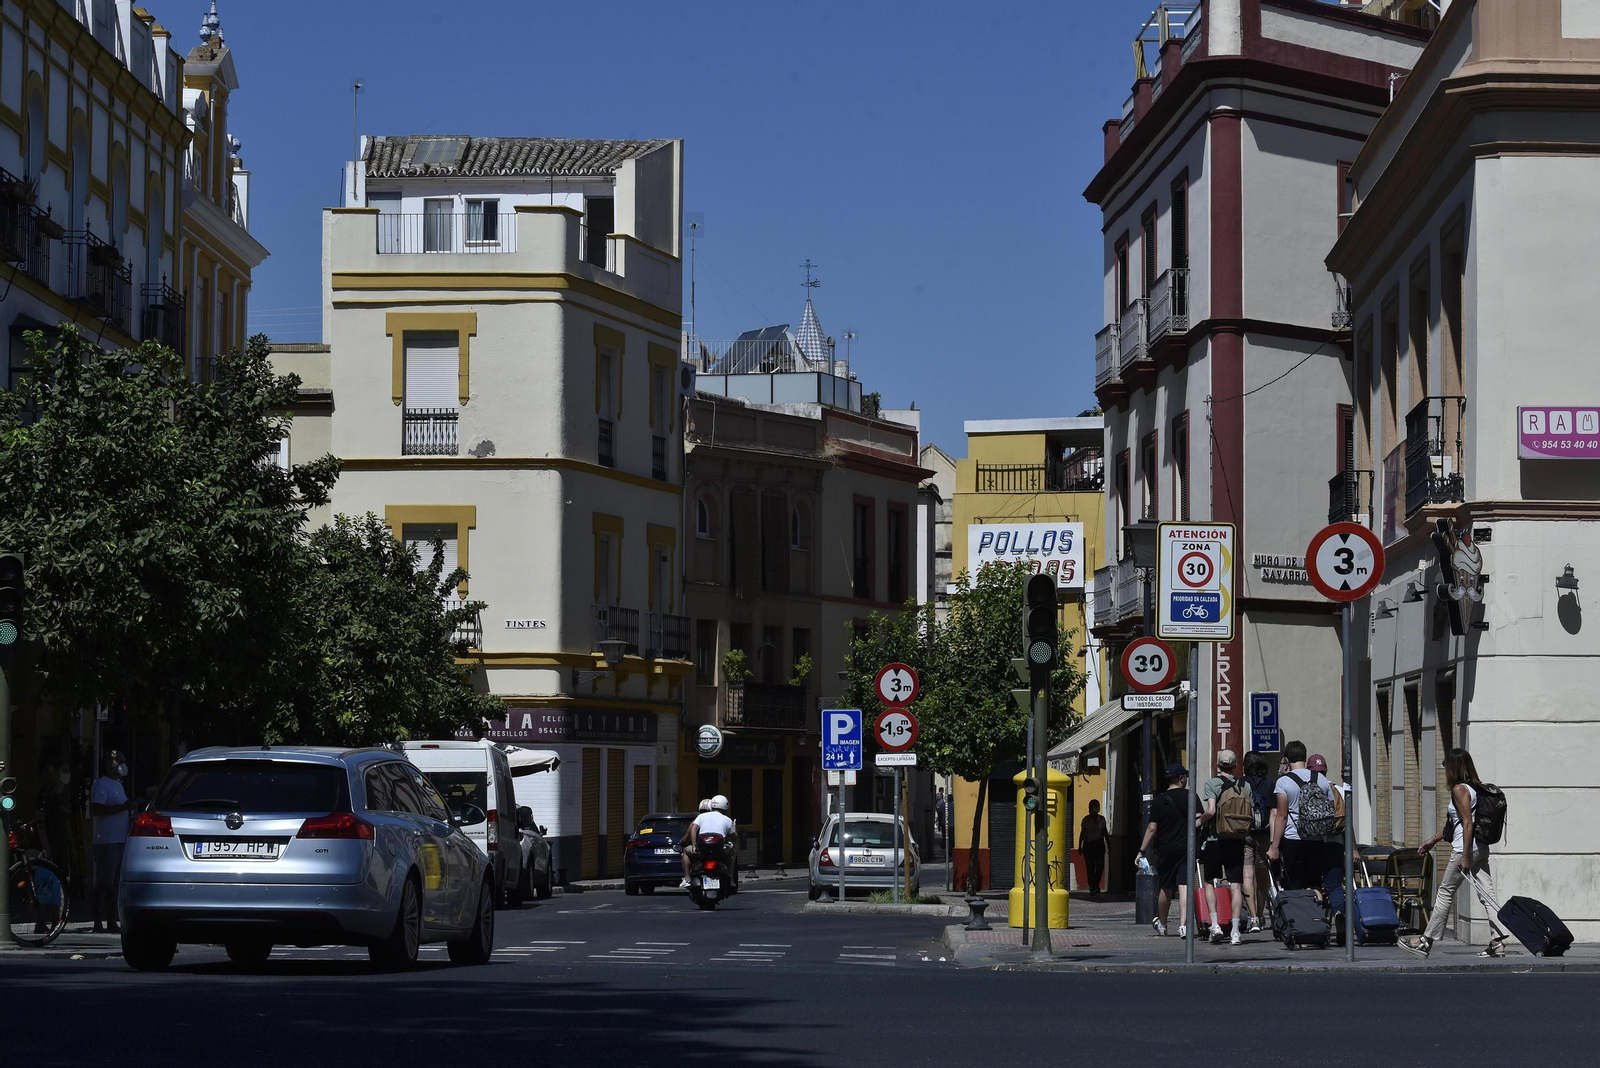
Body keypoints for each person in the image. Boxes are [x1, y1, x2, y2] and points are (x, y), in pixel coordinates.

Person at [1402, 748, 1510, 959]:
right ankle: (1497, 942)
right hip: (1480, 847)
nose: (1444, 771)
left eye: (1446, 766)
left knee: (1445, 892)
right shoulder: (1476, 787)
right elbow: (1456, 824)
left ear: (1453, 768)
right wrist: (1432, 841)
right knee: (1487, 893)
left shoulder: (1460, 789)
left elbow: (1467, 824)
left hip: (1465, 848)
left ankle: (1425, 941)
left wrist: (1466, 855)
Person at [1136, 764, 1201, 938]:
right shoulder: (1191, 796)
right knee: (1185, 886)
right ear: (1181, 778)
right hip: (1187, 847)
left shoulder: (1159, 800)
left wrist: (1141, 851)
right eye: (1185, 777)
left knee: (1165, 888)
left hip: (1166, 849)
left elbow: (1151, 828)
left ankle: (1163, 924)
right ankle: (1184, 926)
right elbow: (1198, 820)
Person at [1268, 740, 1337, 892]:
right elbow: (1331, 808)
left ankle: (1299, 915)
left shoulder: (1283, 782)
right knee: (1315, 884)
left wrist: (1274, 847)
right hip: (1317, 839)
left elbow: (1281, 815)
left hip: (1293, 838)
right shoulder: (1321, 779)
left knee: (1294, 885)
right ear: (1305, 758)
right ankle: (1317, 914)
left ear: (1286, 760)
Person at [1199, 750, 1246, 944]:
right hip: (1236, 839)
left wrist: (1199, 820)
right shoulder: (1245, 786)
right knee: (1236, 885)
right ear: (1235, 766)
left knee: (1210, 880)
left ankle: (1216, 925)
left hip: (1214, 839)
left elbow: (1210, 811)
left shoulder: (1212, 784)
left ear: (1218, 765)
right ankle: (1235, 931)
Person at [88, 751, 136, 933]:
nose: (123, 765)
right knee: (104, 884)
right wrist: (123, 807)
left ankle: (111, 921)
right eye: (120, 761)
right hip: (107, 841)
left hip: (119, 840)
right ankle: (98, 922)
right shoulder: (101, 784)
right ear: (110, 764)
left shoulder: (118, 785)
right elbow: (97, 809)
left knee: (114, 885)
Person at [1241, 751, 1274, 932]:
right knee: (1262, 878)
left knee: (1247, 875)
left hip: (1245, 833)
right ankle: (1261, 915)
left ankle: (1252, 917)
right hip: (1264, 835)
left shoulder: (1241, 784)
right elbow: (1275, 813)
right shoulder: (1270, 785)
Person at [679, 795, 738, 889]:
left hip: (701, 851)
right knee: (732, 853)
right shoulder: (727, 820)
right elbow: (734, 837)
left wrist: (694, 846)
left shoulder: (701, 816)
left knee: (685, 851)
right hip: (719, 851)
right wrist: (734, 827)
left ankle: (687, 879)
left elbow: (693, 829)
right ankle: (730, 879)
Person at [1078, 799, 1109, 898]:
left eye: (1098, 805)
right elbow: (1082, 833)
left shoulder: (1102, 819)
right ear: (1091, 807)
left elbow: (1105, 832)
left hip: (1099, 845)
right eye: (1096, 805)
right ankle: (1092, 888)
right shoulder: (1086, 820)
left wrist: (1109, 845)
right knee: (1090, 868)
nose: (1097, 807)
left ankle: (1095, 885)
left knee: (1100, 867)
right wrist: (1080, 846)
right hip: (1089, 845)